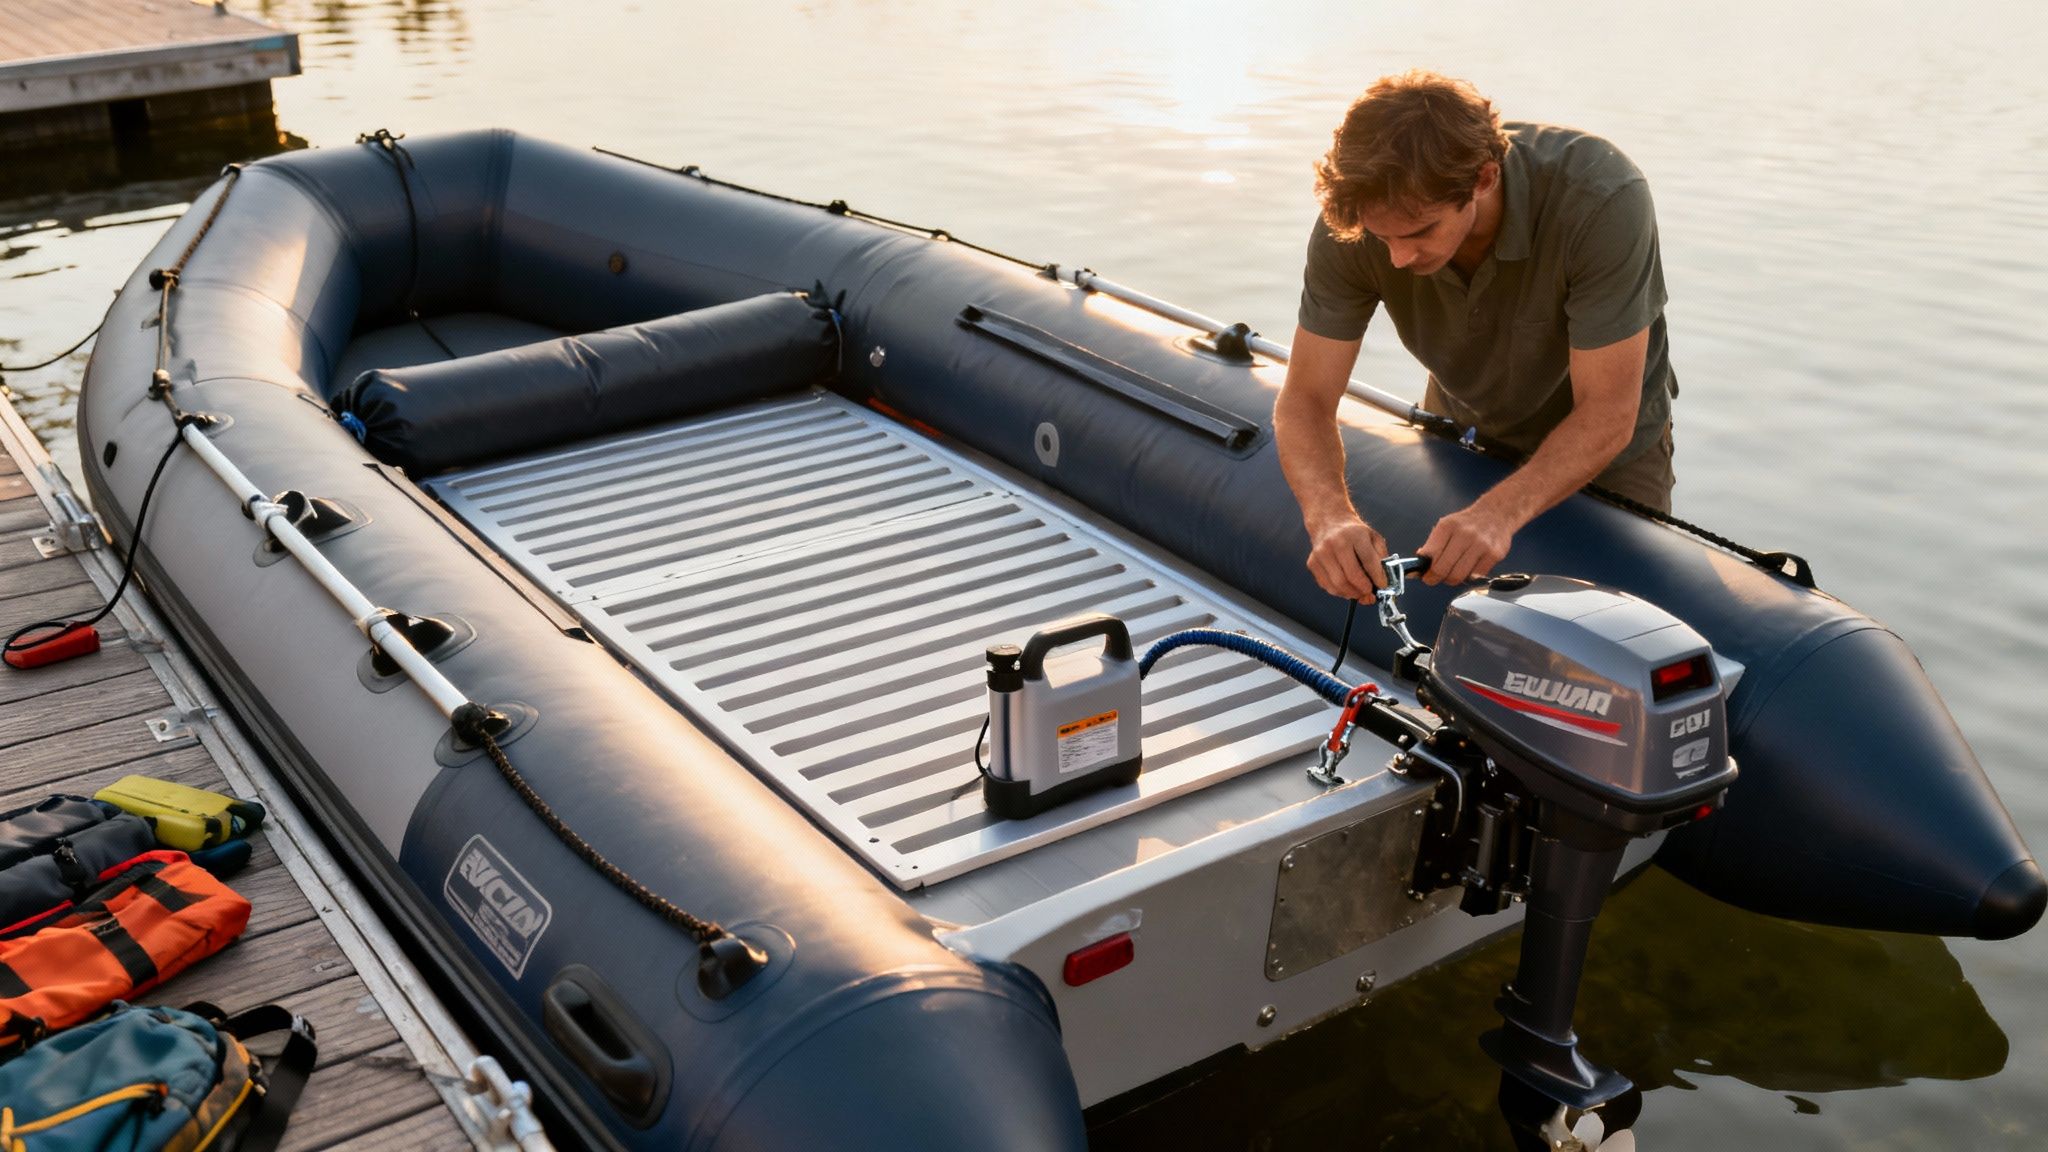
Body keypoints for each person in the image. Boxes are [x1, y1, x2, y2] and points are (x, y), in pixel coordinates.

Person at [1273, 70, 1678, 597]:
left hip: (1611, 448)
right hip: (1462, 425)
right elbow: (1305, 397)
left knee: (1618, 630)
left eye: (1420, 232)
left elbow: (1608, 413)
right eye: (1382, 237)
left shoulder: (1602, 198)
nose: (1397, 257)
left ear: (1484, 179)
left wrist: (1498, 513)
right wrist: (1328, 517)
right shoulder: (1355, 221)